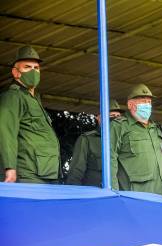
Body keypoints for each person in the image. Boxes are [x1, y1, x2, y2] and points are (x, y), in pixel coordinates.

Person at [0, 46, 60, 184]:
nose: (33, 71)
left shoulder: (34, 99)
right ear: (16, 72)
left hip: (47, 172)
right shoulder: (13, 97)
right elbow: (6, 132)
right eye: (27, 67)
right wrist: (9, 168)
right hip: (28, 172)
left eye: (36, 68)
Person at [110, 84, 162, 196]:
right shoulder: (119, 126)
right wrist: (113, 193)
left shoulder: (156, 130)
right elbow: (110, 159)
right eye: (143, 101)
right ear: (130, 104)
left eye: (149, 102)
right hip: (135, 197)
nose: (147, 105)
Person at [66, 99, 124, 187]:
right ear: (99, 117)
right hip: (97, 195)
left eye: (118, 116)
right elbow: (76, 173)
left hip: (123, 195)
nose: (115, 119)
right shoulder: (87, 139)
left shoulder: (125, 140)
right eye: (112, 115)